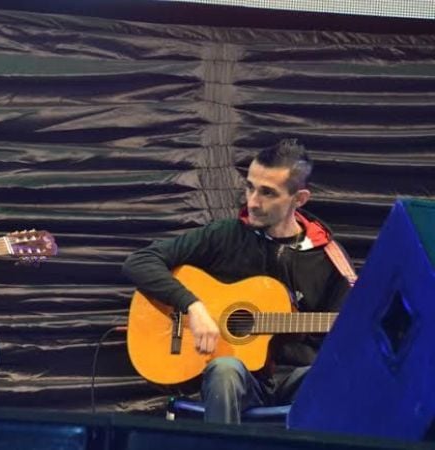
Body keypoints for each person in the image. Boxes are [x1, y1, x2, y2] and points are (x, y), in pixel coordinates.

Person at [122, 139, 357, 424]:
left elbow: (350, 336)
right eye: (249, 187)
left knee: (342, 374)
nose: (253, 202)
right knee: (225, 369)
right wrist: (193, 307)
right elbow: (140, 262)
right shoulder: (225, 236)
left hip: (296, 383)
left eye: (267, 193)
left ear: (299, 199)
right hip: (239, 384)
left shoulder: (329, 258)